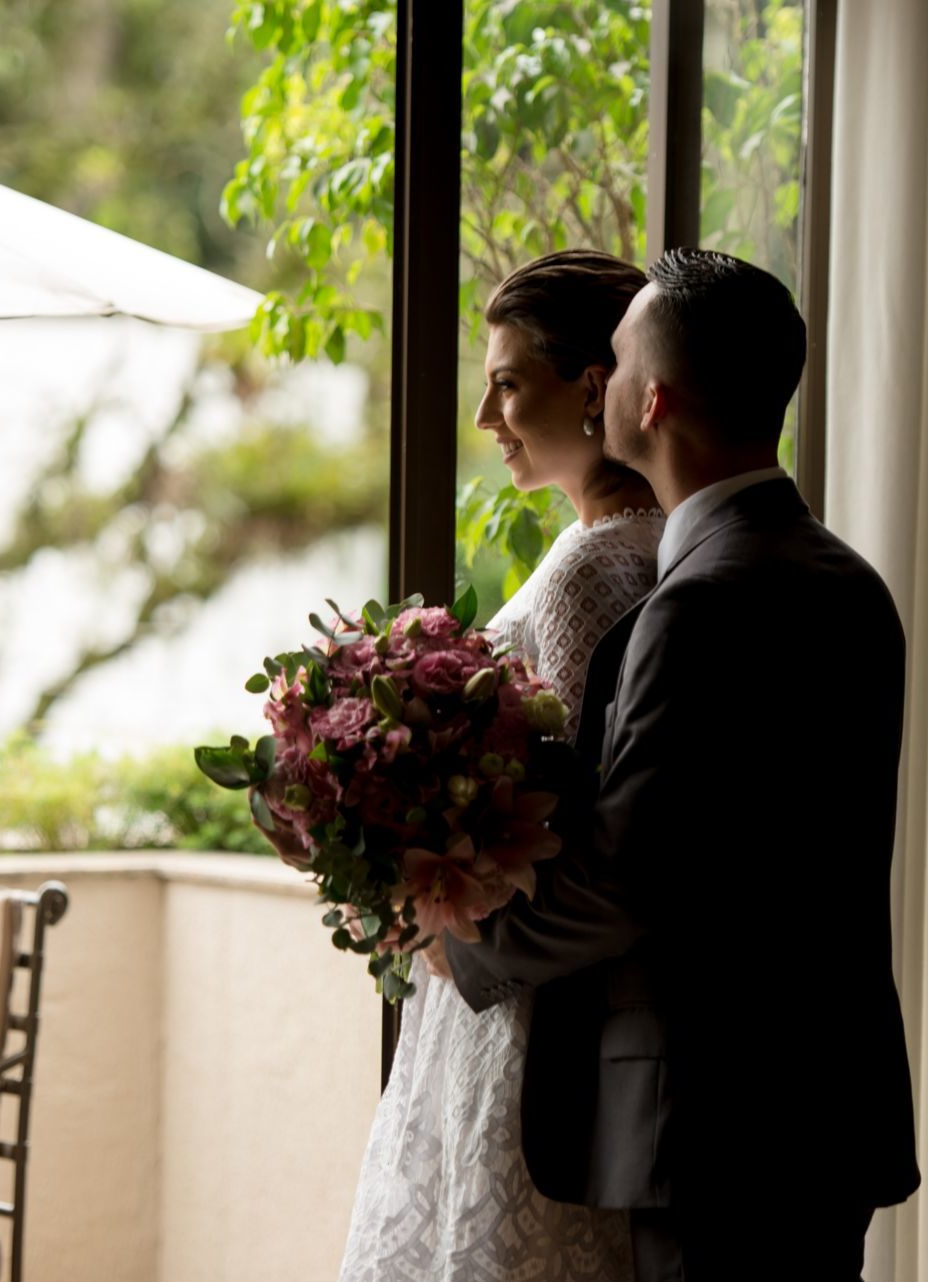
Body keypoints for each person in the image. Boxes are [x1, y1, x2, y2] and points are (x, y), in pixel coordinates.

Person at [445, 248, 920, 1281]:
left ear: (652, 398)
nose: (597, 386)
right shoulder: (851, 582)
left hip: (715, 1125)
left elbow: (629, 876)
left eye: (611, 365)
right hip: (830, 1111)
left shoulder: (699, 606)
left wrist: (466, 941)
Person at [336, 249, 665, 1282]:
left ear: (594, 387)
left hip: (522, 1002)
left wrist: (435, 904)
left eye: (510, 381)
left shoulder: (592, 569)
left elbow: (577, 819)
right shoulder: (654, 544)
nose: (485, 413)